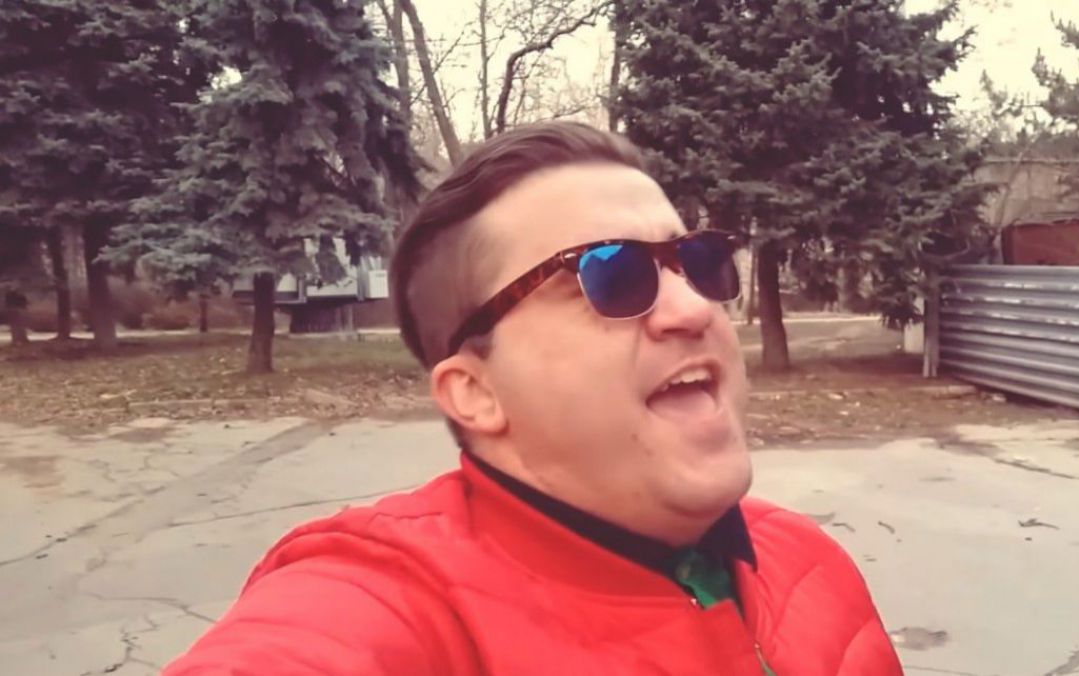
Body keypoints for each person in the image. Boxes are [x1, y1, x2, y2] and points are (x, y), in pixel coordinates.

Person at [165, 122, 902, 675]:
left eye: (697, 262)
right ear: (476, 392)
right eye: (610, 275)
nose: (693, 309)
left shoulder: (808, 556)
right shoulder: (396, 601)